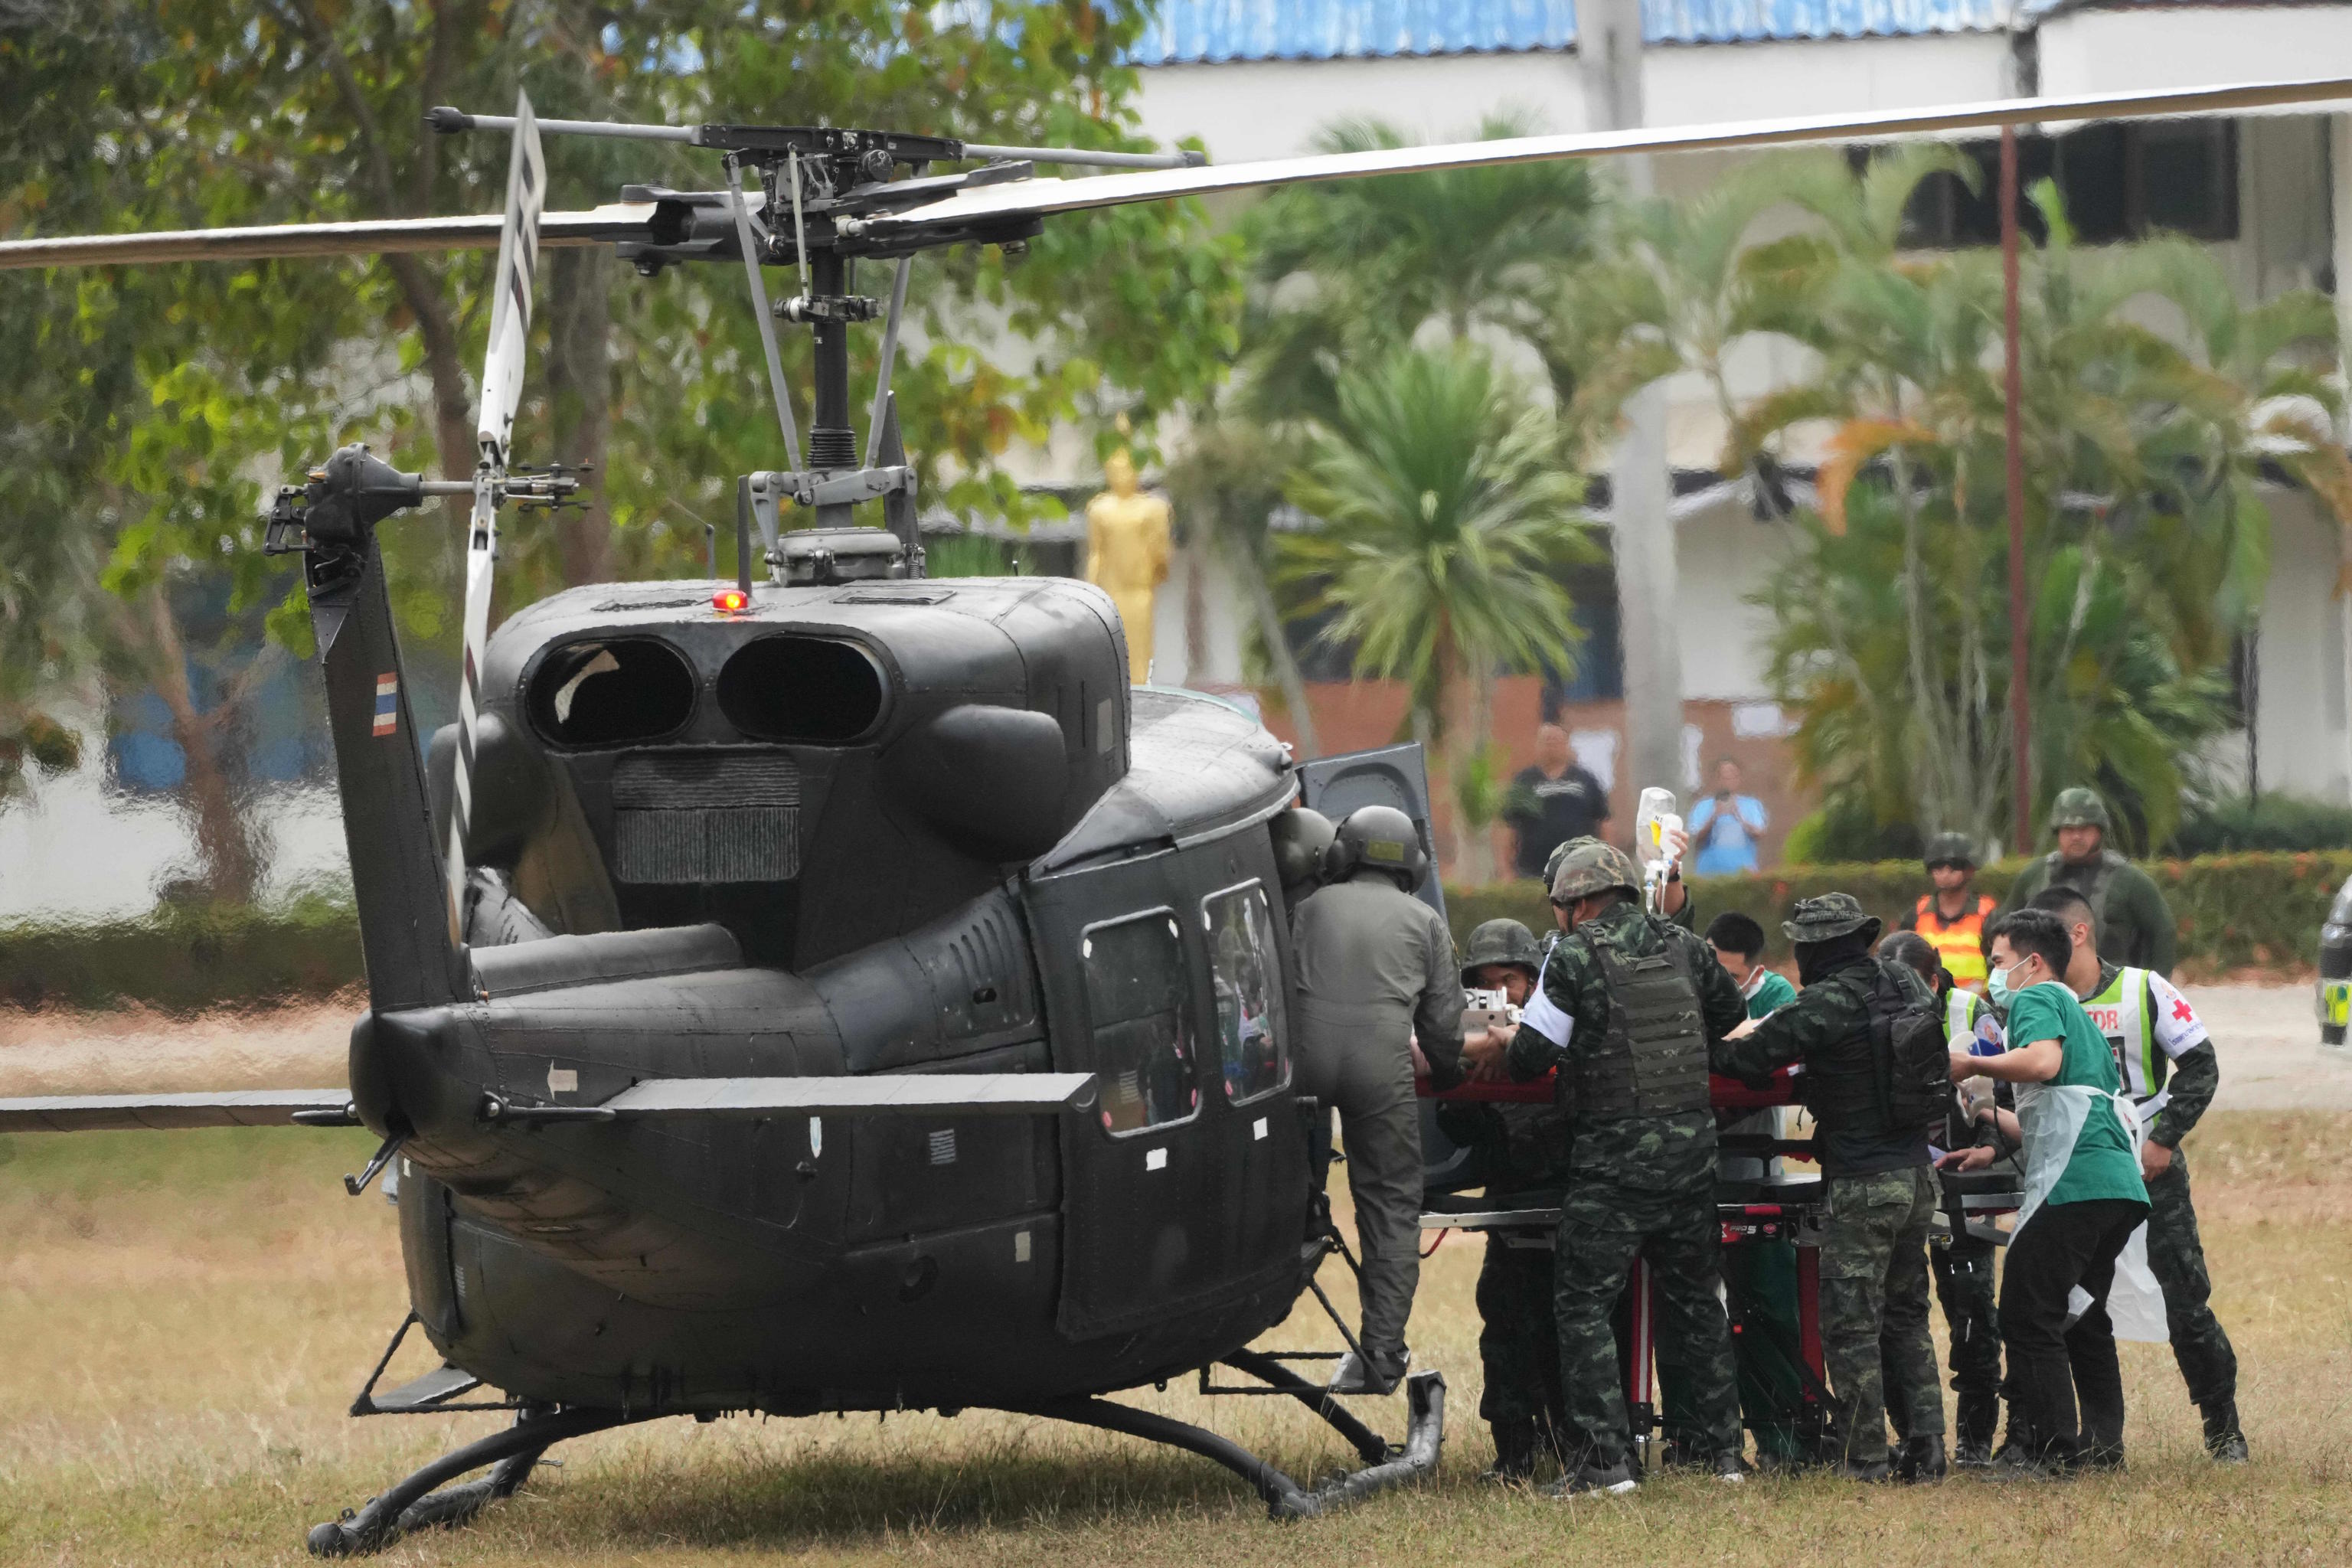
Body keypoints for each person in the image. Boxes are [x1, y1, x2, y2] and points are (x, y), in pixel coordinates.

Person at [1462, 839, 1749, 1495]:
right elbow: (1731, 1018)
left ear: (1579, 903)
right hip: (1691, 1158)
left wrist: (1506, 1039)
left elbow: (1532, 1058)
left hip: (1613, 1163)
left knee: (1583, 1304)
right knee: (1698, 1303)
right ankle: (1723, 1456)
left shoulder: (1573, 956)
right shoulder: (1685, 945)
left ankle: (1603, 1463)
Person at [1716, 896, 1949, 1483]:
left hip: (1863, 1183)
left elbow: (1750, 1059)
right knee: (1907, 1317)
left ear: (1814, 949)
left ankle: (1864, 1458)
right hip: (1918, 1175)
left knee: (1850, 1327)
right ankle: (1927, 1447)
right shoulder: (1905, 982)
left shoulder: (1826, 1001)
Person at [2027, 886, 2246, 1462]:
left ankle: (2224, 1428)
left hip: (2148, 1169)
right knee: (2075, 1304)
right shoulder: (2037, 1001)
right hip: (2073, 1174)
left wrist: (2164, 1139)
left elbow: (2201, 1065)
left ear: (2078, 933)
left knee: (2185, 1301)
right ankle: (2099, 1440)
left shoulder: (2143, 989)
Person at [1941, 910, 2151, 1477]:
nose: (1993, 974)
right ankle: (2102, 1447)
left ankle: (2051, 1452)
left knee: (2028, 1313)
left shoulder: (2036, 997)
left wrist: (1971, 1063)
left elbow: (2042, 1063)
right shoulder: (2074, 1010)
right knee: (2080, 1313)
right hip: (2114, 1183)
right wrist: (1987, 1117)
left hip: (2075, 1181)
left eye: (1998, 961)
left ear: (2032, 962)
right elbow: (2059, 1104)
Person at [1289, 805, 1465, 1395]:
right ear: (1412, 865)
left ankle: (1305, 1217)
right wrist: (1447, 1076)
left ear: (1343, 853)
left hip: (1302, 1066)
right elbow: (1444, 1030)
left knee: (1286, 1179)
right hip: (1381, 1070)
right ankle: (1383, 1353)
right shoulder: (1425, 921)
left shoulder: (1305, 909)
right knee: (1390, 1203)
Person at [1448, 918, 1573, 1481]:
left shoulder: (1561, 1020)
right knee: (1504, 1324)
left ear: (1532, 980)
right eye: (1485, 983)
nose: (1498, 993)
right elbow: (1457, 1128)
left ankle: (1577, 1443)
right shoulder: (1471, 1035)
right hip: (1511, 1198)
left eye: (1509, 981)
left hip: (1570, 1197)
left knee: (1571, 1328)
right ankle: (1515, 1451)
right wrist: (1468, 1077)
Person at [1882, 930, 2011, 1468]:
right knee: (1895, 1313)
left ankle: (1975, 1443)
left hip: (1963, 1184)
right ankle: (1914, 1436)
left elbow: (2009, 1091)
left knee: (1972, 1313)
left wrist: (1989, 1146)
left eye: (1910, 986)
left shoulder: (1971, 1013)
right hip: (1899, 1184)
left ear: (1933, 981)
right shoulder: (1873, 1010)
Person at [1999, 788, 2179, 977]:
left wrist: (2154, 985)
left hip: (2111, 986)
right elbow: (2003, 930)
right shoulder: (2034, 876)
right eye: (2069, 829)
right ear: (2058, 832)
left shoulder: (2129, 880)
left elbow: (2163, 930)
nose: (2076, 836)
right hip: (2045, 986)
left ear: (2099, 831)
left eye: (2084, 829)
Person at [1502, 724, 1612, 880]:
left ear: (1566, 746)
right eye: (1547, 742)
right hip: (1532, 872)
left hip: (1581, 871)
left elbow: (1604, 821)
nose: (1551, 747)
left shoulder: (1586, 779)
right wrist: (1506, 870)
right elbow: (1509, 826)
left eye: (1556, 742)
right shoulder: (1524, 781)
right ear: (1538, 746)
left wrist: (1606, 863)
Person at [1902, 833, 1998, 993]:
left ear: (1970, 870)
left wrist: (1984, 989)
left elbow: (2002, 964)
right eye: (1938, 867)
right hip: (1928, 1002)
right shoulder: (1917, 914)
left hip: (1977, 1003)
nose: (1945, 873)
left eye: (1954, 867)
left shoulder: (1987, 914)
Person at [1705, 910, 1797, 1018]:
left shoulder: (1776, 993)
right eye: (1710, 970)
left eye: (1731, 977)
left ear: (1756, 974)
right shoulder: (1689, 981)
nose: (1716, 983)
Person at [1687, 759, 1768, 877]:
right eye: (1724, 776)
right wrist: (1714, 816)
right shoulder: (1703, 806)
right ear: (1717, 779)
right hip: (1709, 872)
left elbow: (1759, 833)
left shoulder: (1751, 804)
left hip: (1744, 871)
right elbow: (1695, 838)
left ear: (1739, 778)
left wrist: (1740, 817)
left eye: (1733, 776)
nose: (1729, 780)